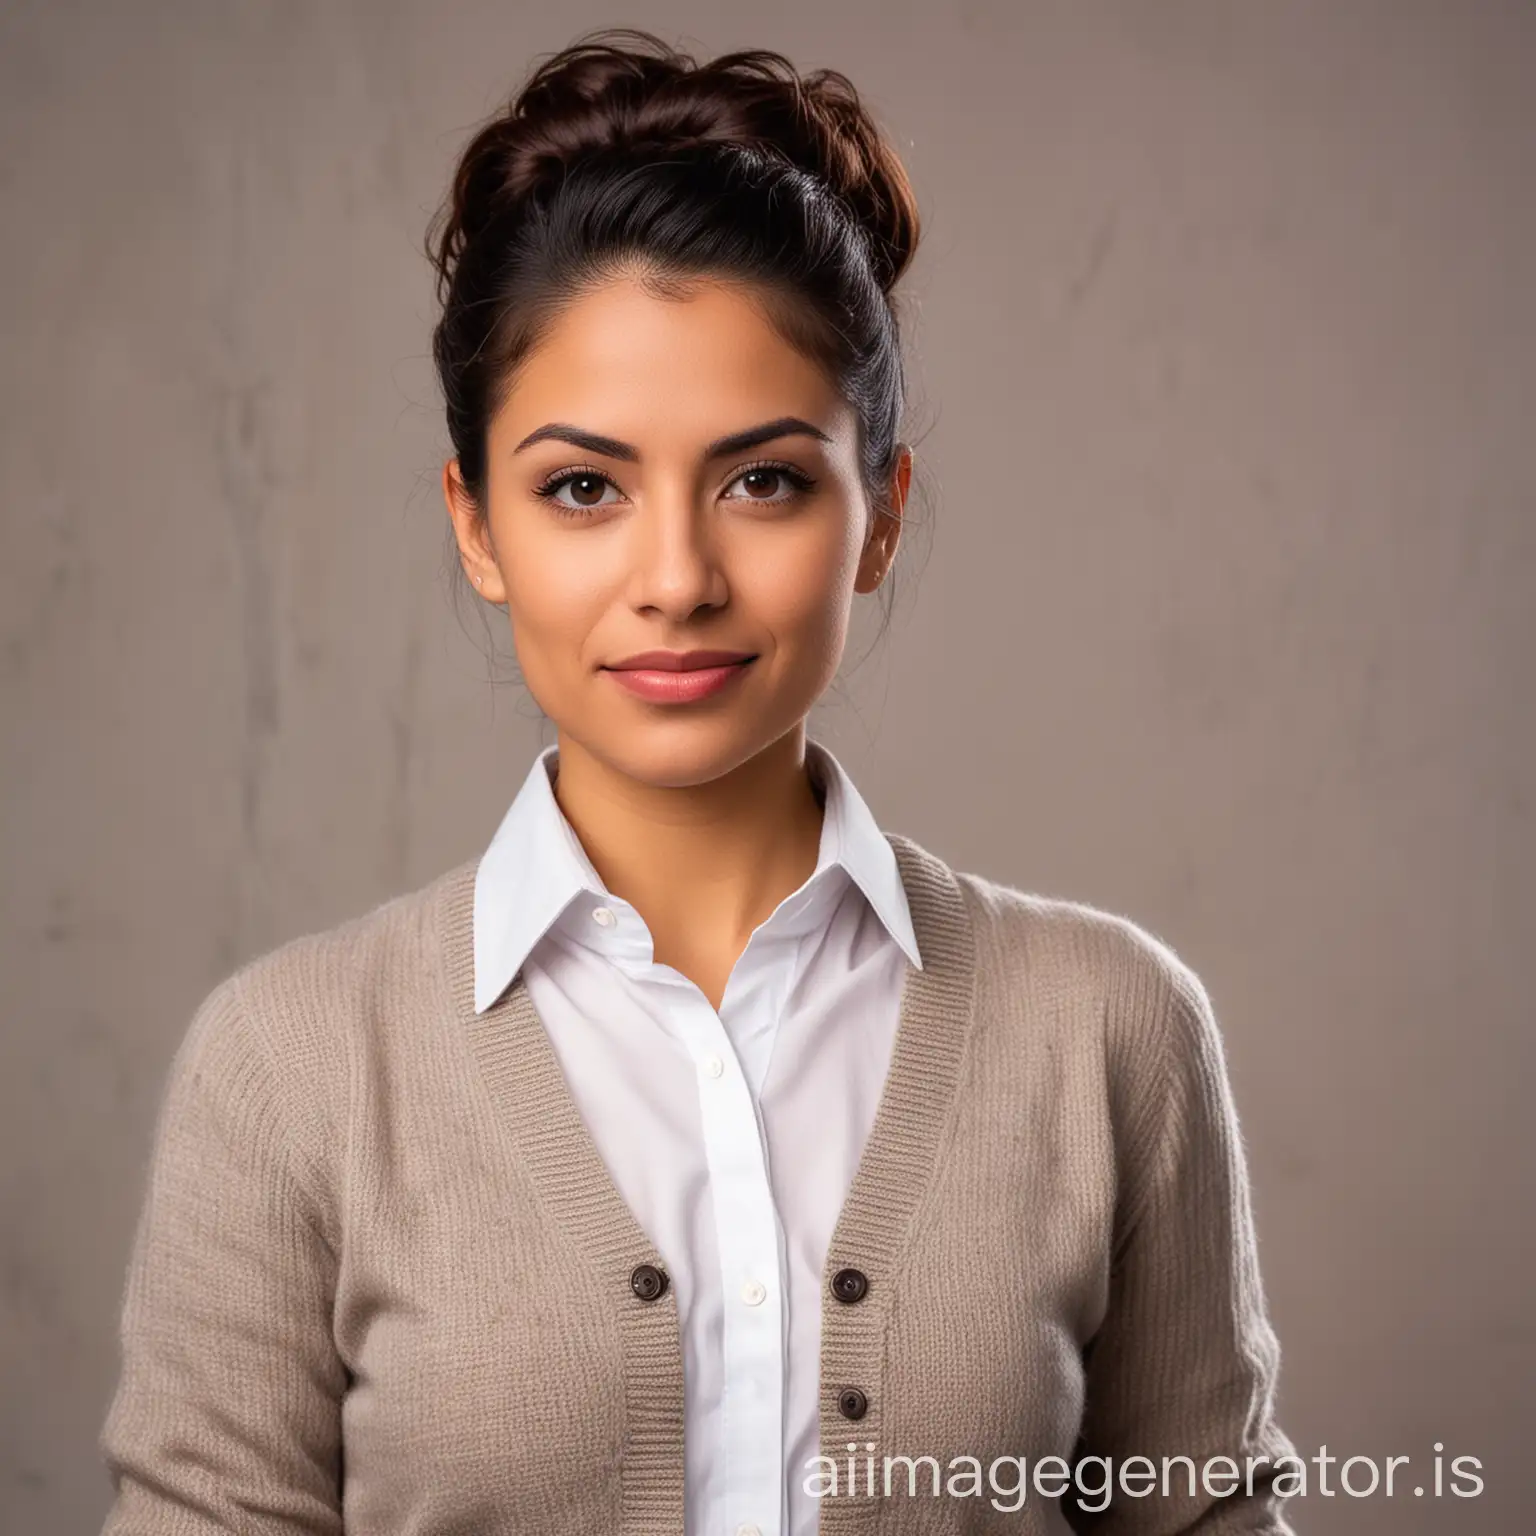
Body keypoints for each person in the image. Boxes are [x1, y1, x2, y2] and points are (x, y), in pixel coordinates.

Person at [98, 26, 1298, 1536]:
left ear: (880, 517)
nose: (675, 579)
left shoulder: (1111, 1028)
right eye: (582, 488)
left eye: (764, 481)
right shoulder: (290, 1074)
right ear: (476, 525)